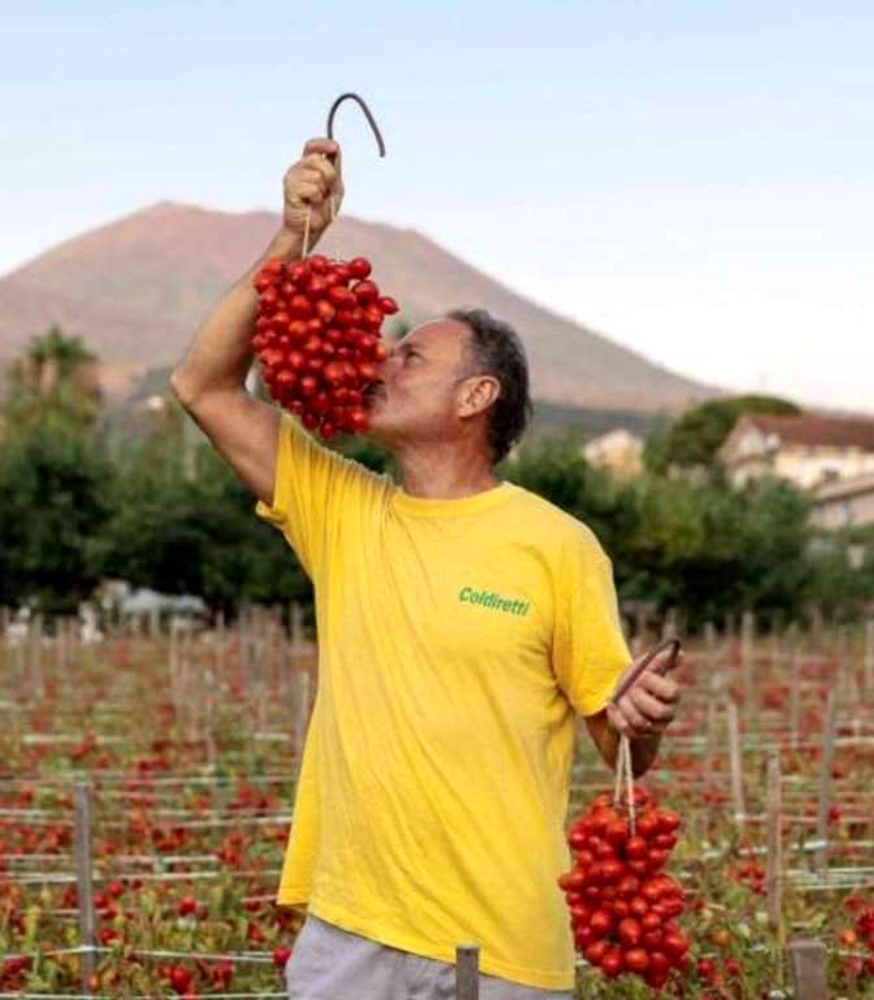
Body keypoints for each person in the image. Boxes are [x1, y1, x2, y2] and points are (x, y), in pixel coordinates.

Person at [171, 137, 681, 1000]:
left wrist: (644, 717)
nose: (378, 358)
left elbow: (617, 740)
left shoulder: (556, 545)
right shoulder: (343, 509)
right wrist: (293, 238)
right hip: (353, 933)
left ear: (476, 398)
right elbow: (204, 386)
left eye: (411, 356)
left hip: (507, 943)